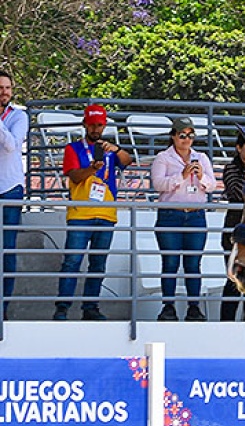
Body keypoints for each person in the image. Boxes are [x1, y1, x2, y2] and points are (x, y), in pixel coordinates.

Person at [53, 105, 133, 320]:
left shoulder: (109, 149)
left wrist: (115, 150)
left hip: (106, 214)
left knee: (98, 263)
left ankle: (90, 307)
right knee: (72, 262)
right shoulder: (73, 148)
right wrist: (92, 168)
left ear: (104, 125)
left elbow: (128, 161)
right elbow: (75, 177)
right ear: (84, 124)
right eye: (92, 124)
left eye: (99, 125)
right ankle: (62, 307)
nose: (95, 129)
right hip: (80, 214)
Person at [150, 116, 217, 321]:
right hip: (171, 214)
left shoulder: (202, 158)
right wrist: (181, 175)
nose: (186, 139)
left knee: (193, 263)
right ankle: (168, 306)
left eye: (190, 135)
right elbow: (158, 184)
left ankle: (194, 307)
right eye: (182, 135)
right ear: (173, 136)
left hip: (196, 215)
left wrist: (200, 177)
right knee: (170, 262)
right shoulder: (163, 158)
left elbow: (213, 185)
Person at [220, 131, 245, 321]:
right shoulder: (231, 168)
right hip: (234, 230)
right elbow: (237, 192)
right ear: (239, 148)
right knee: (233, 279)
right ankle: (227, 324)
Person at [0, 70, 27, 319]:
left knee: (6, 250)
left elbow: (11, 146)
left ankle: (3, 310)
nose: (4, 92)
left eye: (7, 87)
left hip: (9, 189)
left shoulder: (18, 117)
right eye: (0, 88)